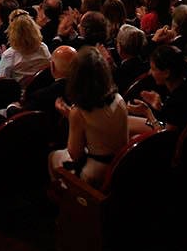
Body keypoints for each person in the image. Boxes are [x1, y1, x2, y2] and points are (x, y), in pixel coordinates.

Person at [49, 47, 131, 184]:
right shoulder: (119, 99)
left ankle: (64, 193)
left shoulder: (78, 112)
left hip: (94, 174)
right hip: (121, 163)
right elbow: (101, 123)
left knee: (53, 156)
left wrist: (72, 118)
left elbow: (75, 154)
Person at [128, 44, 187, 132]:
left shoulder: (177, 99)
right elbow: (176, 117)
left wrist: (147, 112)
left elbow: (167, 135)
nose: (150, 73)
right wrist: (160, 107)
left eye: (153, 69)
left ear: (166, 73)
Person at [0, 13, 52, 83]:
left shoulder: (9, 55)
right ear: (34, 29)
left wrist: (4, 58)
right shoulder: (43, 47)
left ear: (12, 32)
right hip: (42, 85)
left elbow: (2, 80)